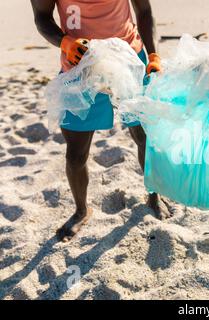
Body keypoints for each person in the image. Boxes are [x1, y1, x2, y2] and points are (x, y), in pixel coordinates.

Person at [31, 0, 171, 243]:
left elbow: (144, 10)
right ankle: (81, 211)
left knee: (143, 137)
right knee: (75, 154)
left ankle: (153, 194)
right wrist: (65, 42)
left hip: (129, 60)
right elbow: (42, 17)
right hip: (80, 66)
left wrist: (153, 54)